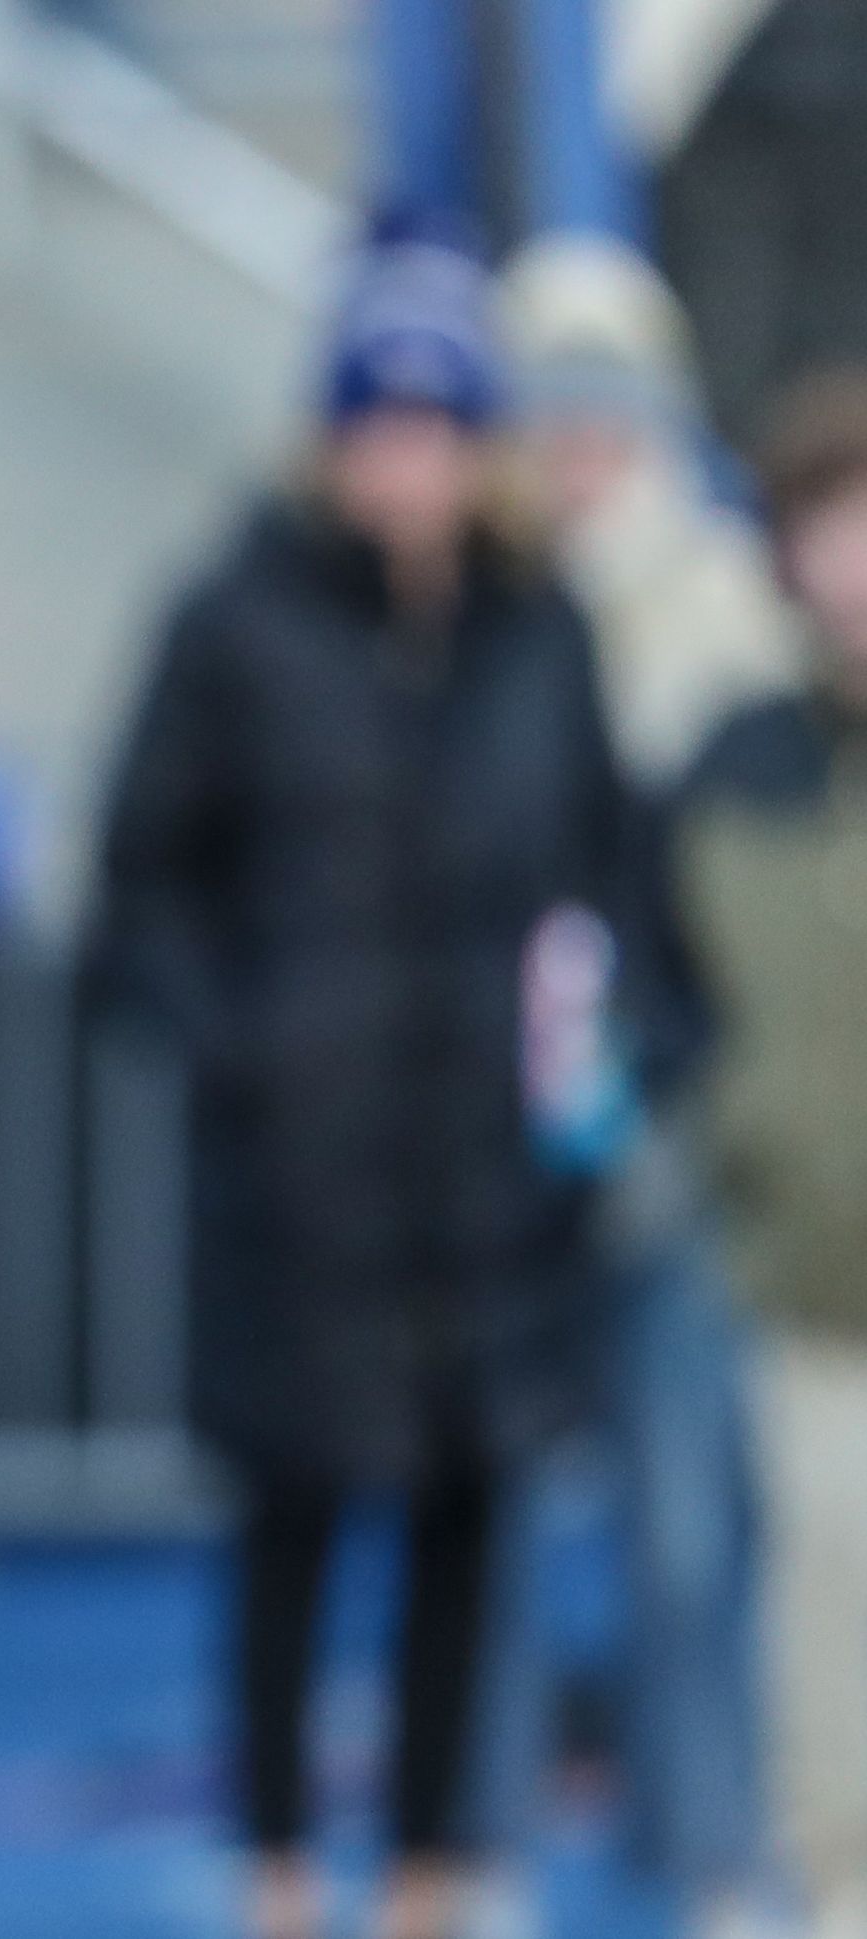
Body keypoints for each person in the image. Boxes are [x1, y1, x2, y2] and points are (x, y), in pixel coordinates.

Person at [93, 216, 626, 1939]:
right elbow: (136, 887)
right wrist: (242, 1047)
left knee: (472, 1528)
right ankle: (274, 1865)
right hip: (302, 1177)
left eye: (441, 428)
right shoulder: (235, 621)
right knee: (291, 1529)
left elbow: (612, 879)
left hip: (489, 1173)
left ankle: (423, 1869)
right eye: (379, 425)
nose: (409, 464)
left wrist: (611, 1064)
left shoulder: (547, 635)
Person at [496, 230, 791, 1930]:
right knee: (501, 1519)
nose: (581, 436)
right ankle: (488, 1855)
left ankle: (707, 1848)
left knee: (691, 1525)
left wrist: (687, 1095)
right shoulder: (481, 607)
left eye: (609, 404)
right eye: (552, 405)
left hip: (676, 1137)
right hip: (493, 1143)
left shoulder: (735, 612)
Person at [673, 370, 867, 1939]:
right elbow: (641, 989)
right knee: (819, 1667)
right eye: (835, 522)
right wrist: (706, 1132)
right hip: (808, 1300)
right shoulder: (734, 764)